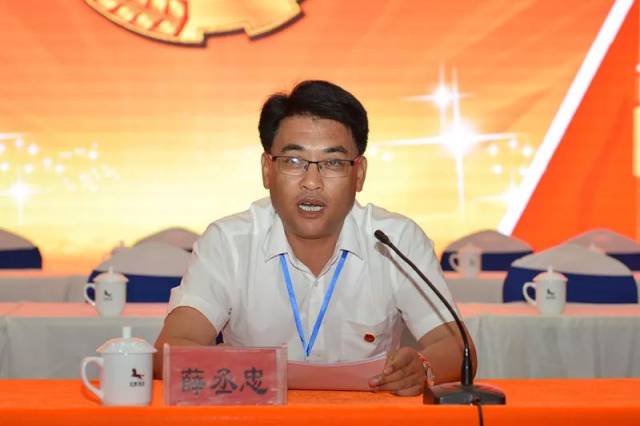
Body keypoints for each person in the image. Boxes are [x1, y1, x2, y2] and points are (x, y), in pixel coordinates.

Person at [154, 80, 476, 396]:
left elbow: (458, 349)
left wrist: (422, 367)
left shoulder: (395, 241)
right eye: (293, 161)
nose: (311, 182)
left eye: (333, 163)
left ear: (359, 174)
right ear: (267, 170)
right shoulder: (229, 243)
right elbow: (171, 349)